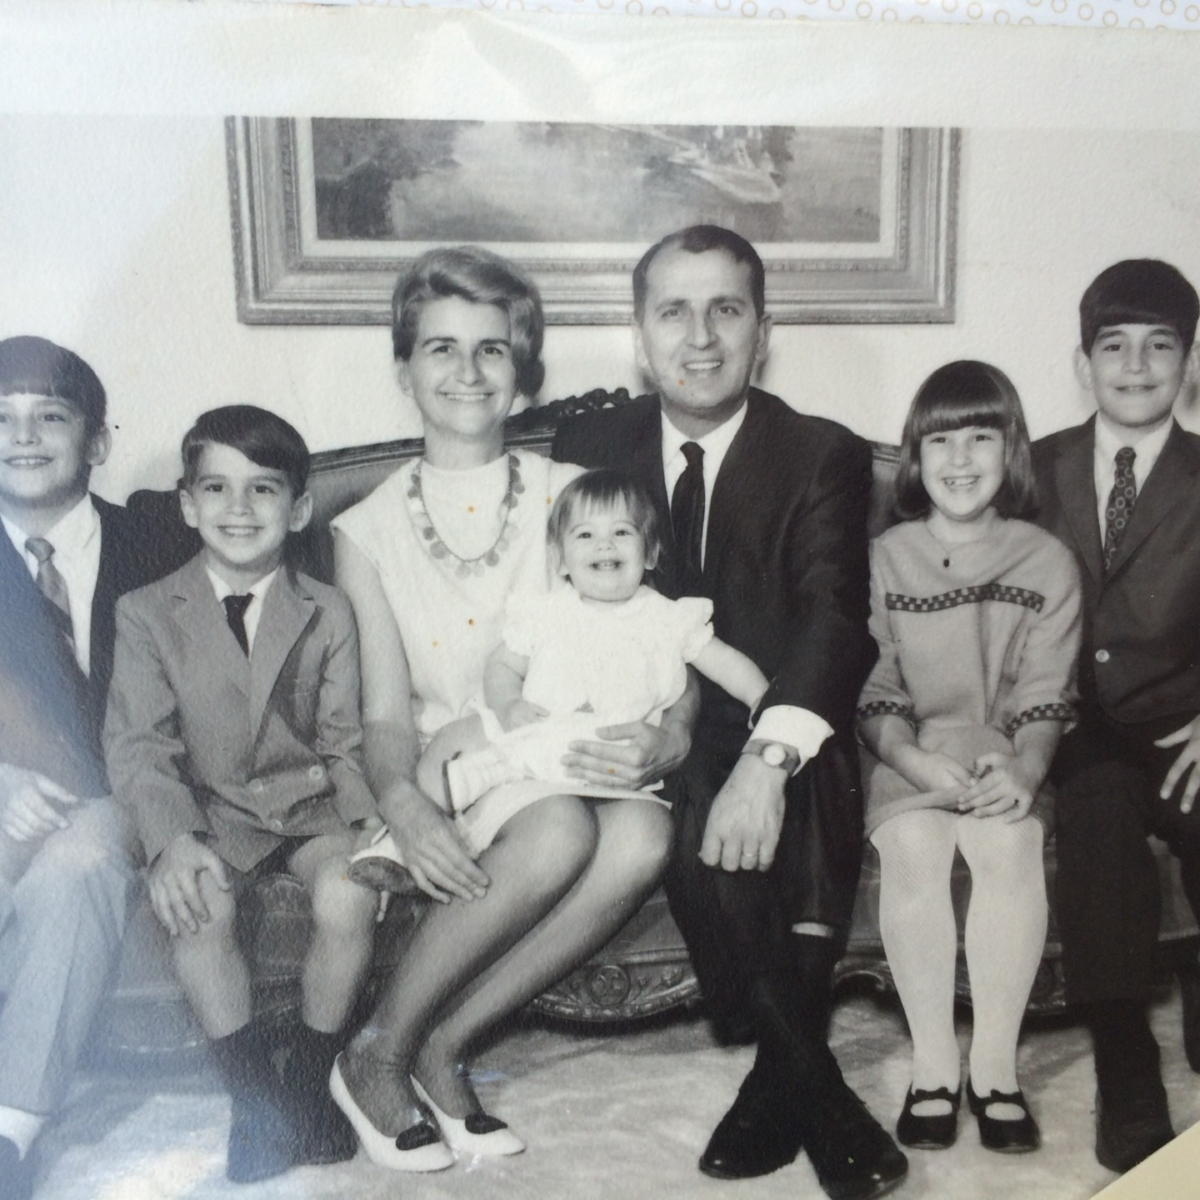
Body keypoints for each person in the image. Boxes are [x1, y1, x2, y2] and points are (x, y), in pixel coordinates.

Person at [552, 225, 909, 1200]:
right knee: (691, 800)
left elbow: (834, 622)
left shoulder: (821, 452)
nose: (700, 336)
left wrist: (769, 759)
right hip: (644, 717)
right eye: (674, 311)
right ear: (640, 336)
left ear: (763, 330)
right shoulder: (588, 448)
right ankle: (822, 1093)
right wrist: (662, 724)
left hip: (771, 704)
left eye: (726, 309)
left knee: (807, 754)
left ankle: (779, 1083)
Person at [328, 247, 680, 1172]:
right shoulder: (363, 529)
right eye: (440, 348)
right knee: (558, 829)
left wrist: (666, 736)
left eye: (492, 349)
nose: (468, 371)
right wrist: (405, 809)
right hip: (459, 763)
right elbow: (382, 713)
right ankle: (377, 1049)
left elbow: (655, 637)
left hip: (569, 749)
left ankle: (444, 1041)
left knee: (644, 838)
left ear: (523, 370)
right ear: (404, 369)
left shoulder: (577, 495)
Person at [104, 405, 381, 1183]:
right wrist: (172, 839)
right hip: (209, 809)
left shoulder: (327, 608)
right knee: (200, 903)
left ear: (298, 509)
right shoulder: (146, 612)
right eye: (216, 488)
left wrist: (370, 825)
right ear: (188, 504)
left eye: (263, 489)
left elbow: (342, 742)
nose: (238, 508)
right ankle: (253, 1092)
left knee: (352, 891)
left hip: (309, 807)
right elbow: (139, 745)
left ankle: (311, 1078)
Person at [857, 361, 1080, 1155]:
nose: (960, 459)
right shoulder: (885, 557)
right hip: (907, 750)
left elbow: (1048, 692)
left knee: (1008, 845)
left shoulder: (1046, 561)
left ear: (1011, 450)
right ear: (914, 458)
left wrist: (1026, 768)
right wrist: (912, 760)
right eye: (940, 441)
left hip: (1007, 754)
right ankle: (933, 1065)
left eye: (981, 438)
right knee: (915, 848)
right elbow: (874, 686)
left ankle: (994, 1069)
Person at [1033, 258, 1200, 1174]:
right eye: (1114, 347)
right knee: (1097, 817)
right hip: (1071, 724)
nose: (1136, 367)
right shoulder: (1032, 466)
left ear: (1190, 364)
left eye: (1159, 346)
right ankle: (1125, 1059)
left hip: (1181, 718)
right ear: (1082, 363)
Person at [0, 336, 155, 1200]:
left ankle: (10, 1133)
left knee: (78, 867)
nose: (23, 437)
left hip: (120, 796)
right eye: (1, 419)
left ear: (96, 441)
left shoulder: (161, 538)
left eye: (50, 416)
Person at [430, 467, 769, 853]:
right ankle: (485, 781)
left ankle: (498, 772)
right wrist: (508, 704)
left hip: (617, 757)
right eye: (585, 535)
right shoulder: (546, 613)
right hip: (544, 730)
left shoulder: (669, 618)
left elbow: (725, 662)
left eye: (621, 532)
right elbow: (502, 665)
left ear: (650, 553)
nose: (604, 545)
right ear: (560, 560)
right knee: (487, 738)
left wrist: (763, 698)